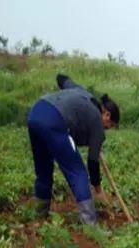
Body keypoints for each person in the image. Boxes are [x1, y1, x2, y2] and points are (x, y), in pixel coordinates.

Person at [27, 73, 119, 224]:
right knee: (77, 172)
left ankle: (39, 212)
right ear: (107, 115)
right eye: (109, 126)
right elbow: (92, 161)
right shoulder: (97, 122)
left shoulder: (81, 91)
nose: (106, 129)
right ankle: (90, 223)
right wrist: (98, 190)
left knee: (43, 167)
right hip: (54, 120)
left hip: (36, 113)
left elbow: (61, 78)